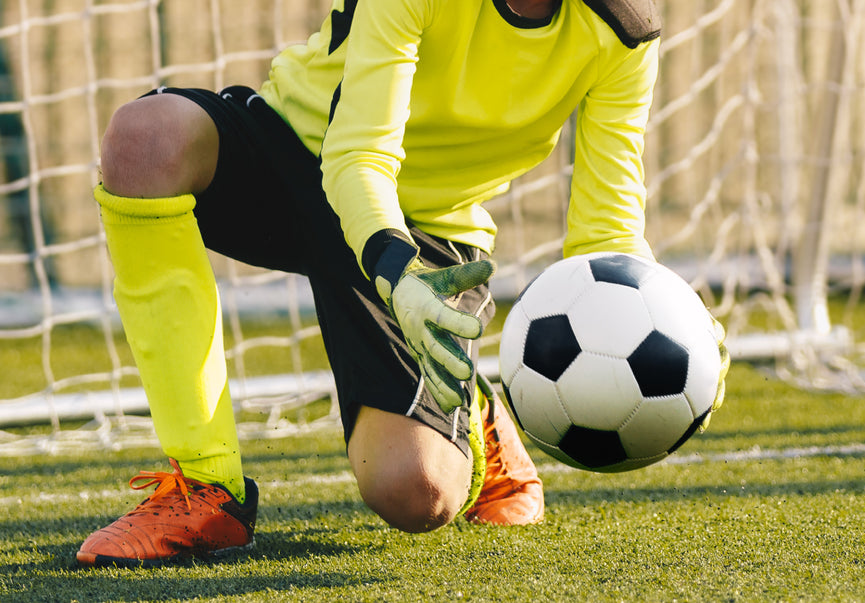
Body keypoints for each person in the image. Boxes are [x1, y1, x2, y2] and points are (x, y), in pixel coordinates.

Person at [77, 0, 724, 568]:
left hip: (431, 230)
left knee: (416, 492)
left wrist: (680, 334)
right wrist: (391, 265)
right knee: (145, 140)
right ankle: (207, 486)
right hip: (301, 152)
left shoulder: (622, 32)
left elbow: (604, 236)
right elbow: (359, 155)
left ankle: (475, 416)